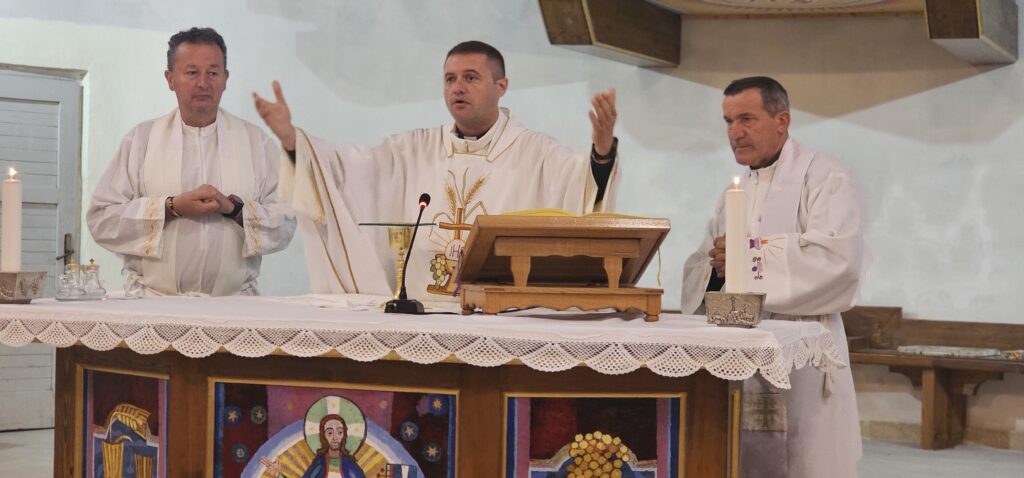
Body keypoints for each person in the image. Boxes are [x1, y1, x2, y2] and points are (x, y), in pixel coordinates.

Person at [253, 40, 620, 301]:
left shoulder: (536, 153)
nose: (457, 88)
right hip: (422, 313)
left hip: (502, 317)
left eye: (471, 78)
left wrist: (602, 152)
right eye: (449, 79)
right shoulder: (412, 150)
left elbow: (583, 186)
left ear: (501, 86)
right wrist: (291, 138)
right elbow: (346, 170)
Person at [680, 77, 865, 477]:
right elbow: (701, 265)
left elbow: (839, 261)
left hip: (804, 360)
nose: (734, 133)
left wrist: (747, 257)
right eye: (728, 121)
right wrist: (717, 267)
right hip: (741, 355)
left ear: (782, 120)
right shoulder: (735, 192)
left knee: (806, 461)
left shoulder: (826, 177)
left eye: (746, 119)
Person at [87, 27, 295, 296]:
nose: (203, 83)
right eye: (192, 72)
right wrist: (171, 207)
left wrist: (235, 210)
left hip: (234, 305)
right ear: (170, 79)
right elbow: (102, 219)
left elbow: (286, 220)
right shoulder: (141, 140)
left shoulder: (256, 142)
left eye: (213, 73)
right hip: (154, 304)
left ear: (225, 78)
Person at [260, 414, 365, 478]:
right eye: (329, 433)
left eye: (339, 432)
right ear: (323, 436)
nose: (335, 437)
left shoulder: (350, 466)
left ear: (344, 435)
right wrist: (278, 475)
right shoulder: (320, 464)